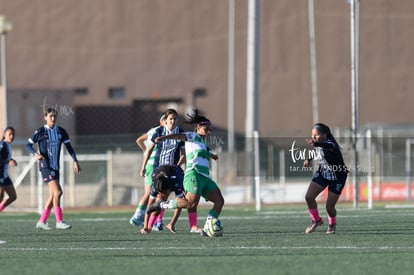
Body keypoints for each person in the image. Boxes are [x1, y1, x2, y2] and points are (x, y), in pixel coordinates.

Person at [146, 109, 225, 237]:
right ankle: (161, 204)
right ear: (198, 127)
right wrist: (163, 137)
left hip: (205, 177)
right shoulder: (191, 136)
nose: (209, 131)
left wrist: (212, 155)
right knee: (190, 204)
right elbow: (177, 136)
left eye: (210, 129)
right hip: (193, 175)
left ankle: (207, 227)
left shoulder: (203, 143)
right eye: (207, 128)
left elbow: (203, 151)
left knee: (219, 201)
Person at [26, 107, 81, 230]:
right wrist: (35, 153)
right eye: (50, 116)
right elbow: (27, 145)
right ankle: (59, 221)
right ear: (45, 117)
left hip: (55, 167)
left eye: (54, 116)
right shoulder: (40, 131)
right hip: (45, 166)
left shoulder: (61, 131)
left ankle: (42, 221)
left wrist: (75, 161)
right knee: (58, 192)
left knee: (52, 195)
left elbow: (69, 147)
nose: (52, 118)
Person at [303, 123, 348, 234]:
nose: (313, 137)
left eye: (317, 135)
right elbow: (315, 151)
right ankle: (316, 220)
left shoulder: (331, 144)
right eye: (312, 134)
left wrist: (316, 143)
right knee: (309, 197)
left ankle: (332, 223)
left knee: (329, 207)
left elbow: (327, 146)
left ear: (325, 134)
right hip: (323, 173)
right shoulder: (318, 143)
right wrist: (308, 159)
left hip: (338, 177)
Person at [129, 114, 165, 227]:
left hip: (155, 164)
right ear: (161, 121)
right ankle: (138, 216)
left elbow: (139, 140)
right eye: (166, 119)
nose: (170, 122)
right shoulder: (159, 131)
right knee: (151, 193)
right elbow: (139, 140)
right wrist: (147, 152)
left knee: (156, 193)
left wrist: (146, 152)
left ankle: (153, 220)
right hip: (153, 165)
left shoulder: (153, 131)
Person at [140, 164, 185, 234]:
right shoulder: (155, 185)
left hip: (178, 173)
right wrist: (145, 226)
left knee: (186, 203)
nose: (163, 195)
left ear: (169, 188)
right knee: (158, 204)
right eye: (161, 193)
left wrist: (172, 223)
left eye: (165, 193)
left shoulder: (177, 181)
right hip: (159, 171)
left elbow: (181, 204)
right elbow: (150, 206)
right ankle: (150, 226)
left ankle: (171, 224)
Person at [0, 127, 18, 212]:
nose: (12, 136)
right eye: (9, 134)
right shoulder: (2, 144)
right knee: (0, 197)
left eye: (13, 134)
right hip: (0, 175)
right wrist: (8, 161)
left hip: (5, 176)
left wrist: (11, 160)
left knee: (13, 196)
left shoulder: (8, 145)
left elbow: (5, 158)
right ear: (4, 135)